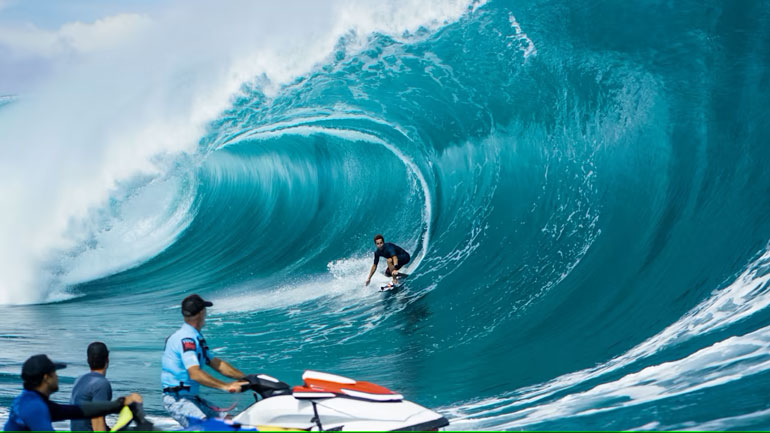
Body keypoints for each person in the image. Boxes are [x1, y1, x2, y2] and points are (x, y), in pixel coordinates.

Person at [161, 294, 248, 427]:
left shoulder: (194, 336)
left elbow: (216, 363)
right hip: (178, 400)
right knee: (206, 427)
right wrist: (226, 386)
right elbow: (195, 373)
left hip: (192, 398)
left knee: (229, 422)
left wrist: (246, 378)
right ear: (201, 313)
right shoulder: (186, 339)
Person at [3, 354, 142, 432]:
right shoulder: (34, 406)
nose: (57, 377)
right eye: (54, 373)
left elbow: (78, 411)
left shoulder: (31, 400)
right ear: (46, 378)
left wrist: (119, 404)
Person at [69, 342, 112, 432]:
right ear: (107, 359)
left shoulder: (79, 380)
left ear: (88, 360)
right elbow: (97, 425)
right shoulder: (101, 384)